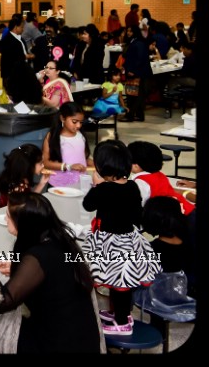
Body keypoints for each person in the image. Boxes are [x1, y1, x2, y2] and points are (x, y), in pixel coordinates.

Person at [0, 192, 103, 353]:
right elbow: (51, 272)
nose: (5, 218)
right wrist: (19, 269)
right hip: (84, 338)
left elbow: (2, 302)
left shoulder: (37, 257)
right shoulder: (60, 241)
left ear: (24, 224)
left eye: (8, 215)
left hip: (54, 344)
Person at [82, 140, 161, 335]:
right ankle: (119, 313)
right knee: (123, 281)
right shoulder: (133, 186)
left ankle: (122, 322)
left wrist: (95, 186)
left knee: (119, 283)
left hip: (110, 242)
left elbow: (88, 205)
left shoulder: (103, 189)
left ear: (102, 168)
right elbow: (136, 215)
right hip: (129, 239)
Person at [40, 101, 92, 189]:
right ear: (62, 118)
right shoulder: (53, 136)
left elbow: (84, 157)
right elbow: (46, 163)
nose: (79, 125)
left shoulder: (81, 135)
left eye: (81, 122)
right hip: (58, 185)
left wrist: (98, 164)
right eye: (74, 121)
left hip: (80, 182)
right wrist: (69, 166)